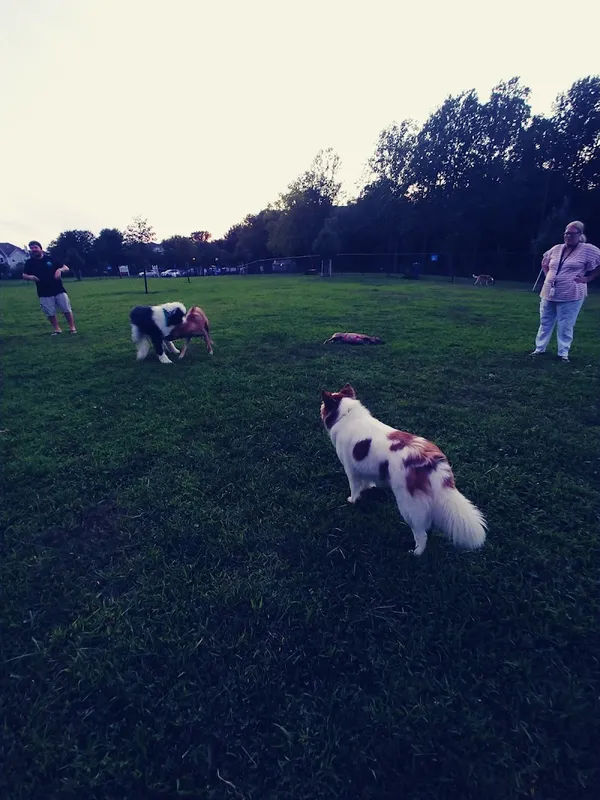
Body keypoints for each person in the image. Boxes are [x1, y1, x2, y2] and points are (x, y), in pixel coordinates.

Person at [530, 221, 600, 362]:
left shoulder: (587, 249)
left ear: (580, 234)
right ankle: (539, 349)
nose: (568, 236)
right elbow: (545, 263)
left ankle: (563, 353)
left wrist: (588, 278)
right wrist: (549, 276)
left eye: (572, 234)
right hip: (549, 291)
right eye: (566, 233)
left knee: (566, 324)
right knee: (545, 321)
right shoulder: (556, 248)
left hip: (571, 293)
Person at [22, 241, 77, 334]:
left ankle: (72, 328)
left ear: (41, 249)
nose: (33, 250)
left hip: (59, 289)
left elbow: (66, 268)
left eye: (35, 247)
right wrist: (31, 277)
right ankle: (57, 329)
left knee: (66, 309)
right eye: (31, 248)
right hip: (43, 291)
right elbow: (24, 275)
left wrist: (60, 270)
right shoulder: (29, 262)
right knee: (50, 313)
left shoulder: (51, 258)